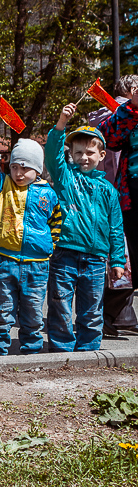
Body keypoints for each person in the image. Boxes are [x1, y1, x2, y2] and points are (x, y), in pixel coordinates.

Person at [0, 118, 63, 355]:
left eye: (25, 167)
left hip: (37, 265)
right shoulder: (1, 185)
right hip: (5, 261)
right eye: (14, 167)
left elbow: (57, 222)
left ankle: (31, 351)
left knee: (32, 312)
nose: (18, 173)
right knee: (2, 311)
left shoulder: (48, 194)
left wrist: (50, 244)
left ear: (38, 169)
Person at [45, 106, 126, 352]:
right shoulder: (65, 178)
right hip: (64, 253)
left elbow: (115, 227)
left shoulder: (108, 191)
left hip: (96, 258)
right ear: (71, 153)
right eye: (78, 152)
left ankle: (89, 350)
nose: (84, 157)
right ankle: (61, 349)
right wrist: (61, 124)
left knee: (92, 307)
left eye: (90, 152)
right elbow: (52, 156)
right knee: (60, 304)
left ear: (102, 155)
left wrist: (118, 260)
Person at [97, 77, 138, 336]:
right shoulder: (129, 115)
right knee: (129, 260)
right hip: (131, 199)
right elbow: (107, 137)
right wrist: (132, 106)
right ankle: (109, 316)